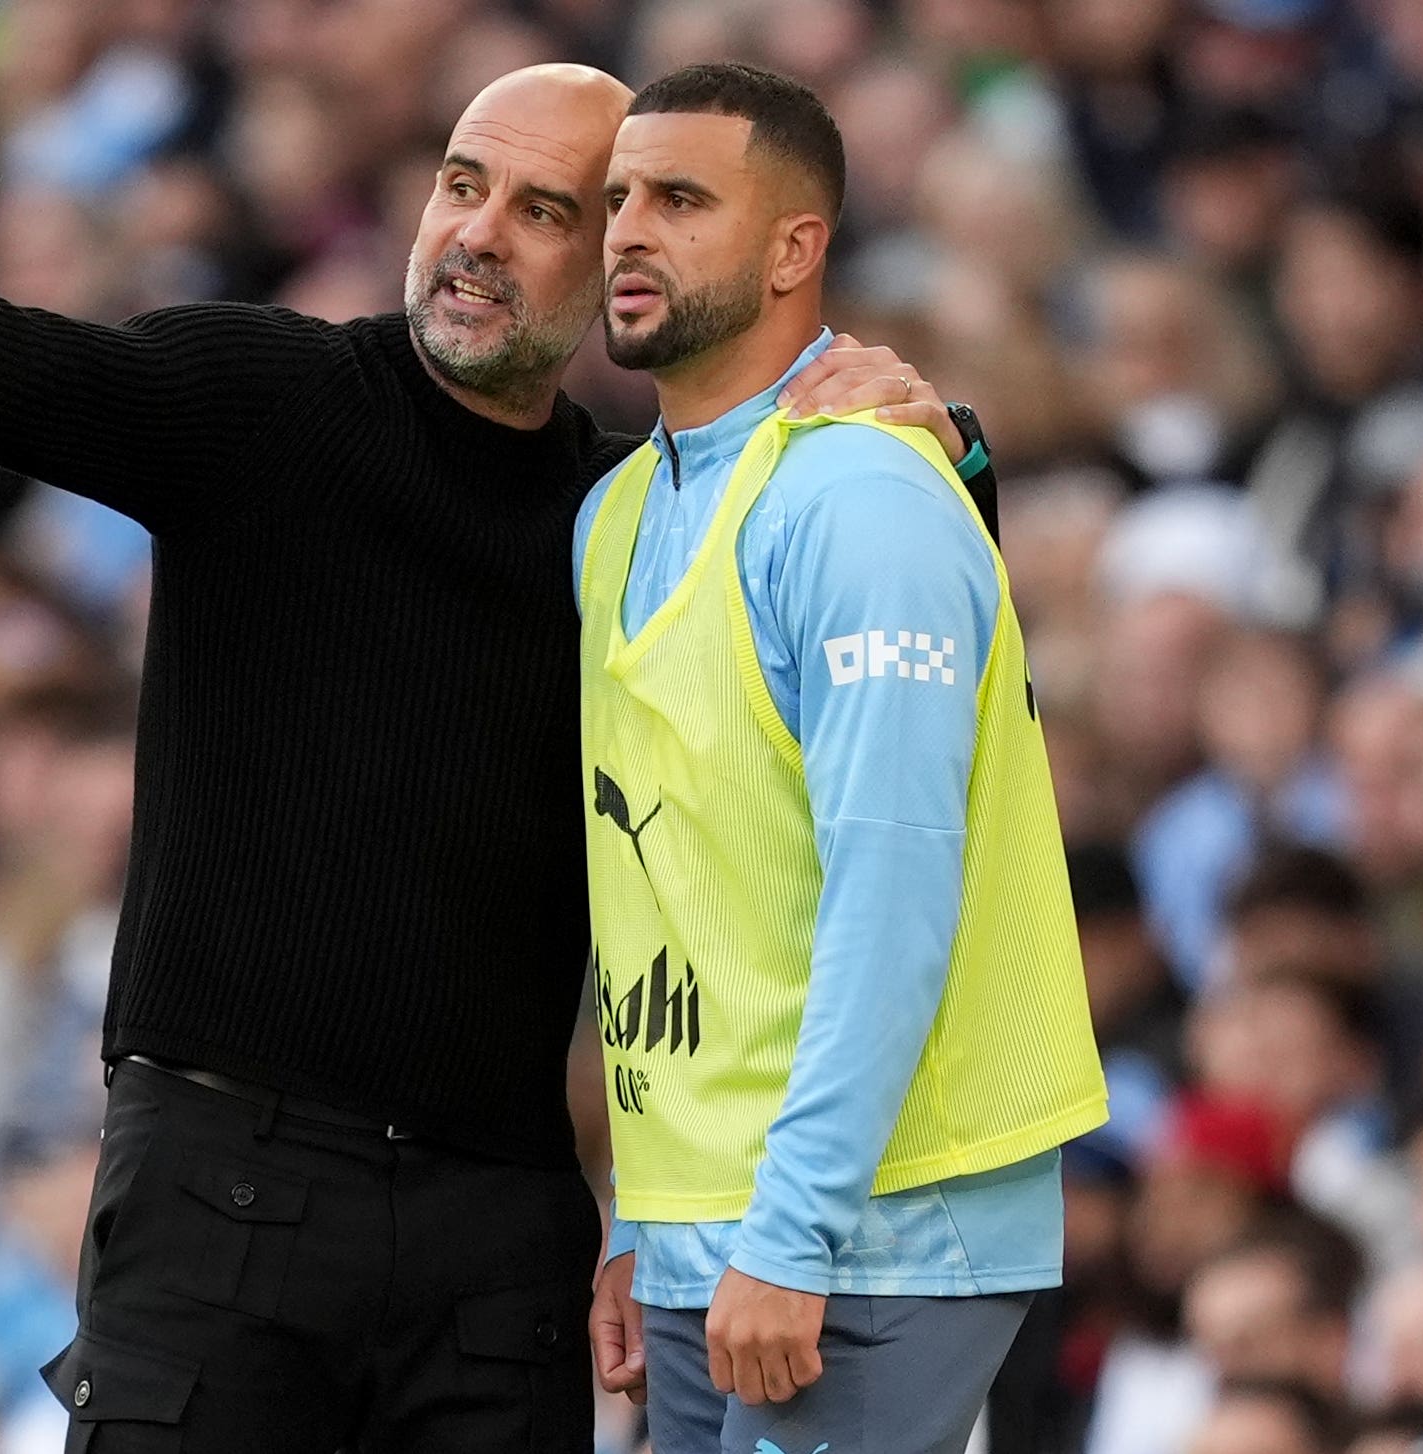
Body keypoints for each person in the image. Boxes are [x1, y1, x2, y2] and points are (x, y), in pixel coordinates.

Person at [0, 63, 991, 1451]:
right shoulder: (268, 398)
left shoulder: (632, 518)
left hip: (499, 1230)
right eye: (458, 184)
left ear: (617, 260)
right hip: (220, 1188)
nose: (479, 233)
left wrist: (948, 458)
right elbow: (39, 365)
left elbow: (828, 675)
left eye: (546, 210)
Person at [574, 64, 1105, 1454]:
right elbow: (674, 896)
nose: (626, 228)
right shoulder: (616, 510)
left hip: (871, 1225)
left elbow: (895, 887)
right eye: (618, 195)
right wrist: (651, 1216)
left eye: (680, 199)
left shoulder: (863, 494)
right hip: (718, 1219)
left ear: (794, 247)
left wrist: (788, 1230)